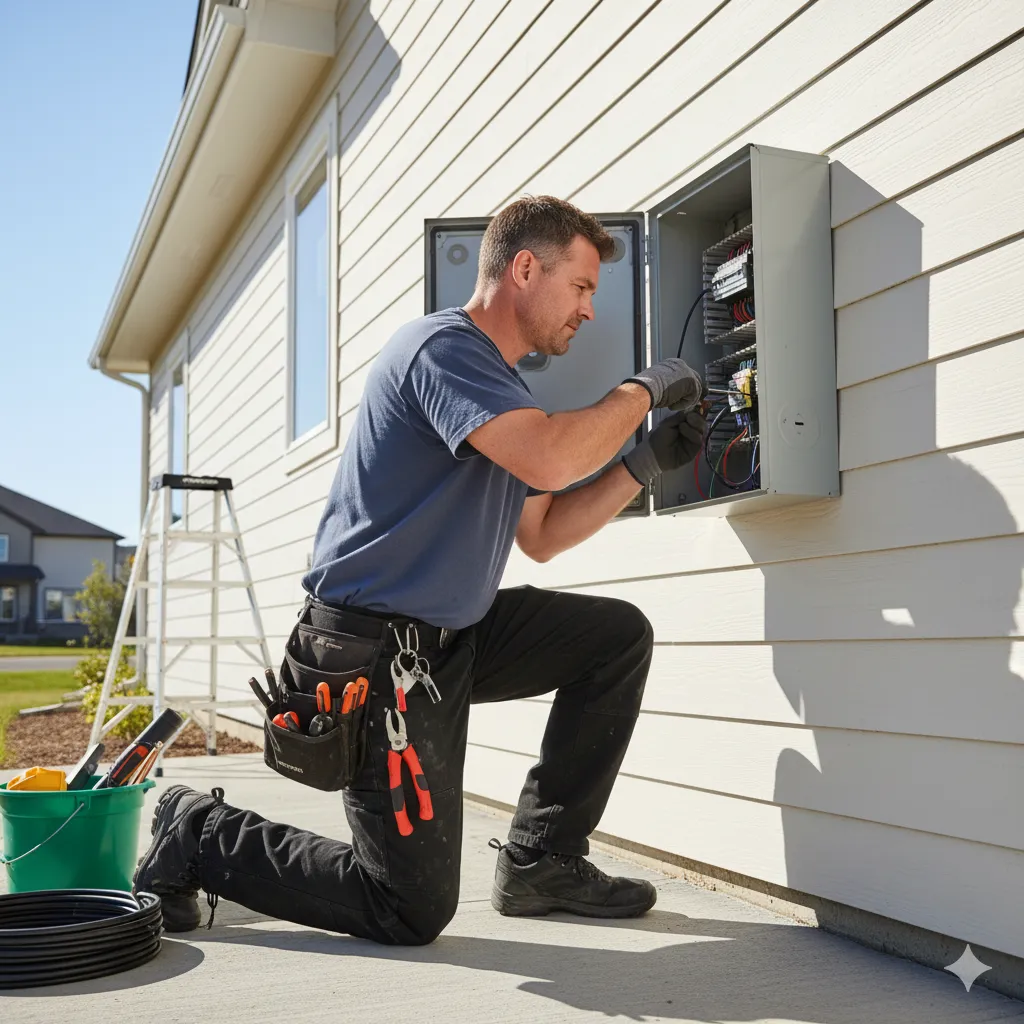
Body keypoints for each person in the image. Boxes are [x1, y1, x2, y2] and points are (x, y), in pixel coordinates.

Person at [134, 196, 707, 944]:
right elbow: (553, 456)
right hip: (371, 655)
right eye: (583, 287)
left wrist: (642, 465)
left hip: (449, 637)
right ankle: (200, 833)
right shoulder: (442, 351)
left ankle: (544, 859)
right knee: (405, 908)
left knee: (614, 637)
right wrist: (645, 389)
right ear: (525, 268)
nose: (589, 310)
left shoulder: (503, 392)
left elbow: (542, 532)